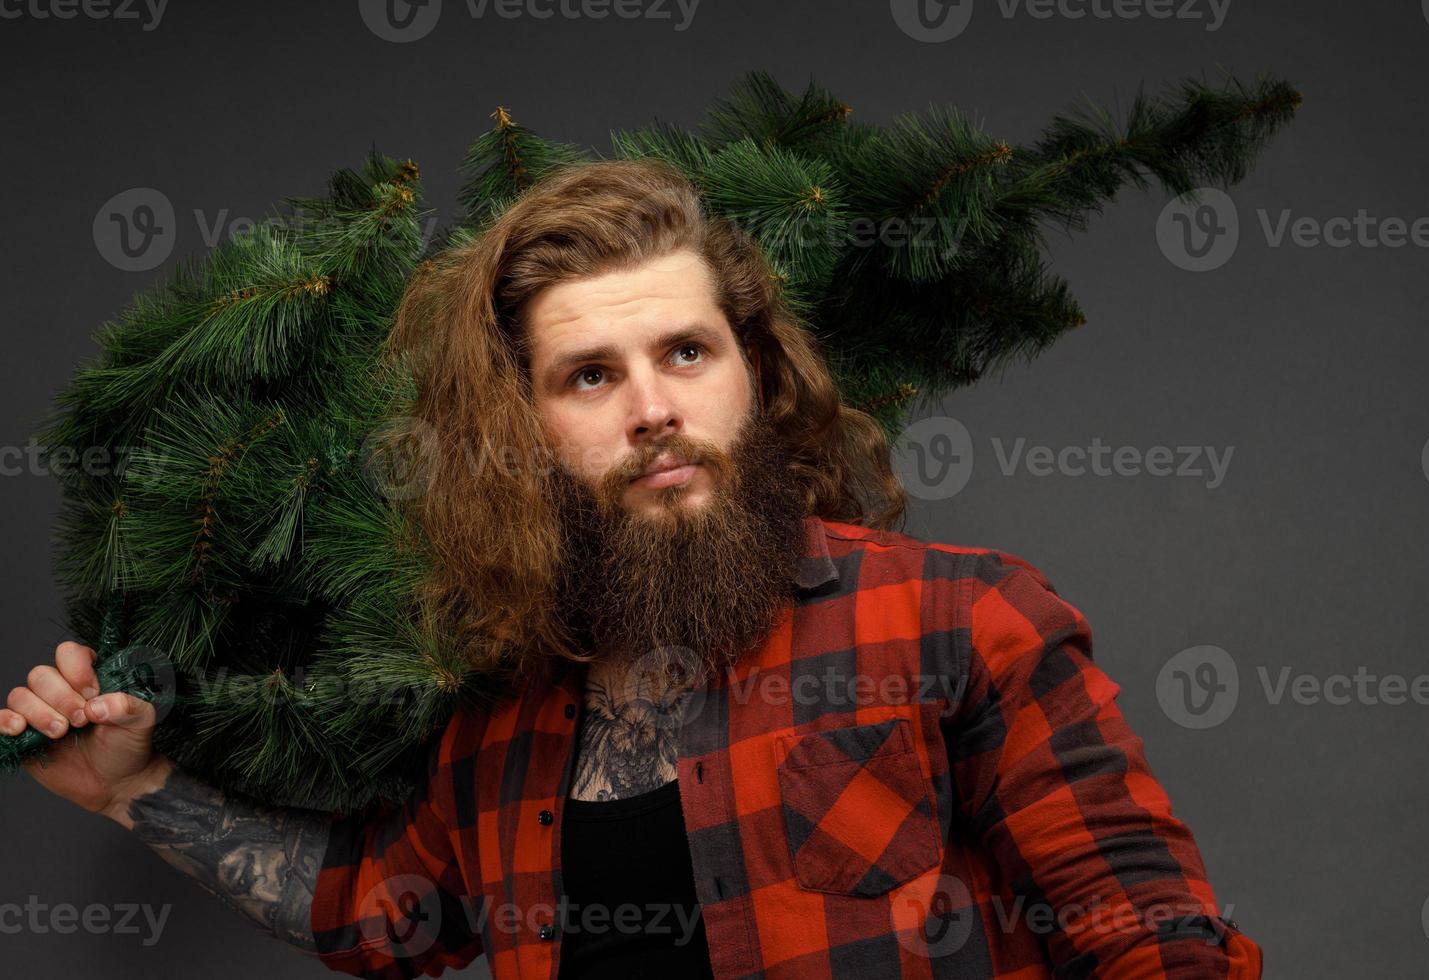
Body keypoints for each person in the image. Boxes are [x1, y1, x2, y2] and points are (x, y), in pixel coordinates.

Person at [3, 158, 1263, 979]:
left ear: (756, 374)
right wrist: (132, 785)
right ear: (523, 425)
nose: (653, 407)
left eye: (688, 353)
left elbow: (1144, 931)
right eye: (590, 375)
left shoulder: (960, 616)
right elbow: (374, 908)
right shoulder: (498, 709)